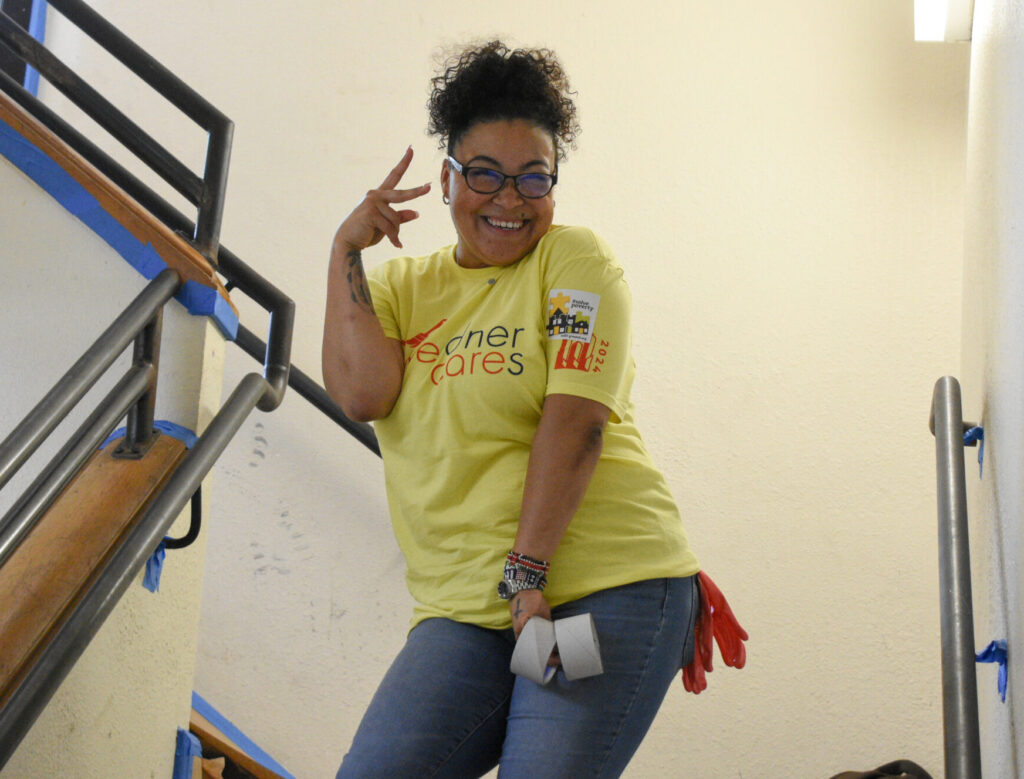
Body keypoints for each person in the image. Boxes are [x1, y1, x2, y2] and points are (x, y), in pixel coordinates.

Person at [323, 41, 739, 778]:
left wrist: (527, 578)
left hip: (607, 587)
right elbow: (362, 395)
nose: (509, 199)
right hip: (465, 609)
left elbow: (576, 423)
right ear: (448, 176)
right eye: (484, 173)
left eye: (533, 178)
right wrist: (345, 249)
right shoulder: (397, 290)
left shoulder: (575, 263)